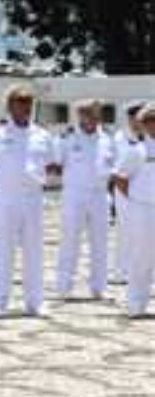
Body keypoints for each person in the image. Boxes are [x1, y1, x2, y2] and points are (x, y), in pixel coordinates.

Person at [0, 84, 55, 317]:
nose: (25, 106)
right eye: (20, 101)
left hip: (33, 197)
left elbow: (51, 163)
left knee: (34, 250)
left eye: (28, 102)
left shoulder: (42, 134)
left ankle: (35, 302)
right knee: (3, 249)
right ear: (9, 105)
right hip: (7, 196)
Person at [53, 99, 114, 301]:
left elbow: (113, 166)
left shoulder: (107, 138)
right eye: (86, 114)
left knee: (101, 242)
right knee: (70, 240)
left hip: (99, 194)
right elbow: (56, 164)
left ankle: (99, 287)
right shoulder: (67, 138)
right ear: (79, 115)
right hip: (75, 194)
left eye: (94, 114)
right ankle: (64, 286)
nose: (91, 118)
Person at [114, 107, 155, 316]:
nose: (153, 124)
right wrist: (137, 198)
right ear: (144, 124)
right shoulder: (136, 150)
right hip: (144, 209)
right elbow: (120, 178)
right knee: (142, 257)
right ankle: (135, 304)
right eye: (150, 121)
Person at [113, 102, 145, 284]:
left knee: (145, 232)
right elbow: (121, 166)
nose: (139, 121)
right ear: (130, 119)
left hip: (146, 190)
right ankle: (122, 271)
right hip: (125, 188)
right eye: (136, 117)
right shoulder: (121, 137)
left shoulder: (148, 137)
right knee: (126, 230)